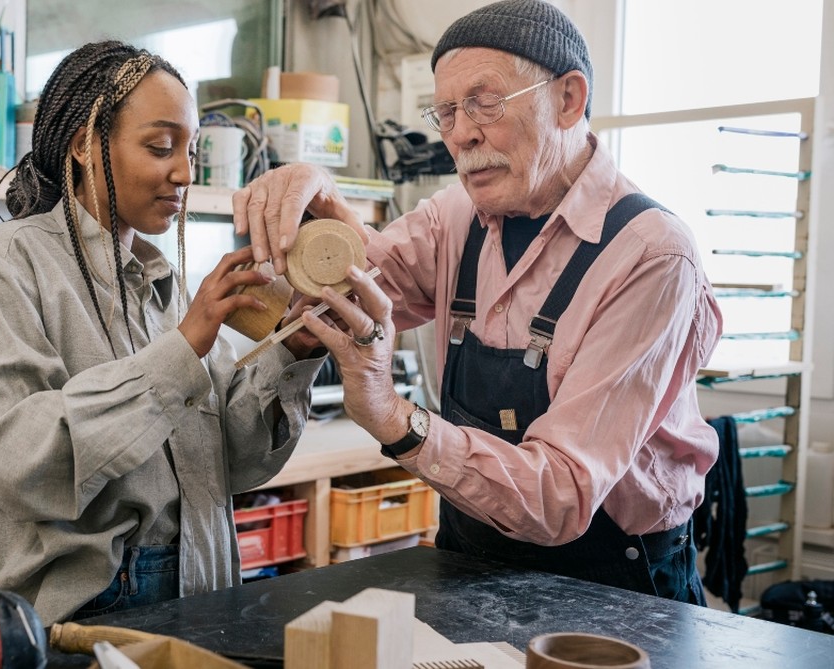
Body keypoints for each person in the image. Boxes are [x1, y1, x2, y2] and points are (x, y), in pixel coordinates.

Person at [232, 0, 722, 604]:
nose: (461, 133)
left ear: (569, 99)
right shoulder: (456, 218)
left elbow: (560, 495)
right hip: (472, 551)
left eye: (485, 103)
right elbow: (358, 290)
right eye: (445, 112)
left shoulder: (651, 256)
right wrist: (318, 202)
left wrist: (394, 416)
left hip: (613, 580)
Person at [0, 40, 328, 624]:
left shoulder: (163, 285)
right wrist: (184, 348)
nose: (184, 172)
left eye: (192, 150)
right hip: (75, 609)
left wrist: (295, 347)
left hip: (198, 580)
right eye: (160, 146)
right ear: (83, 146)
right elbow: (18, 463)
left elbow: (237, 460)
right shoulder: (10, 265)